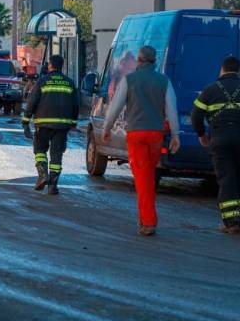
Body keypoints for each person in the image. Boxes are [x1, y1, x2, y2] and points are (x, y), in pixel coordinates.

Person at [102, 46, 180, 237]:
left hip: (136, 134)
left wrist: (106, 128)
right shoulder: (164, 81)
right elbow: (171, 108)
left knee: (143, 179)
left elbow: (116, 106)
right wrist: (176, 135)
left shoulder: (130, 80)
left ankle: (148, 221)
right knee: (149, 176)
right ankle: (145, 217)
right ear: (154, 62)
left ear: (138, 61)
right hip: (156, 134)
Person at [191, 56, 240, 234]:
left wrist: (201, 134)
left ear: (222, 69)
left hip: (220, 138)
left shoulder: (210, 90)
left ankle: (231, 222)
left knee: (227, 179)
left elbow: (196, 115)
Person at [22, 55, 79, 195]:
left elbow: (32, 102)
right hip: (62, 126)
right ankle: (53, 185)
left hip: (43, 124)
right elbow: (76, 105)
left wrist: (25, 121)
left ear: (50, 66)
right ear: (62, 66)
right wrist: (73, 122)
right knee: (56, 155)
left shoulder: (42, 82)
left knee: (40, 150)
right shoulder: (70, 83)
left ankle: (42, 175)